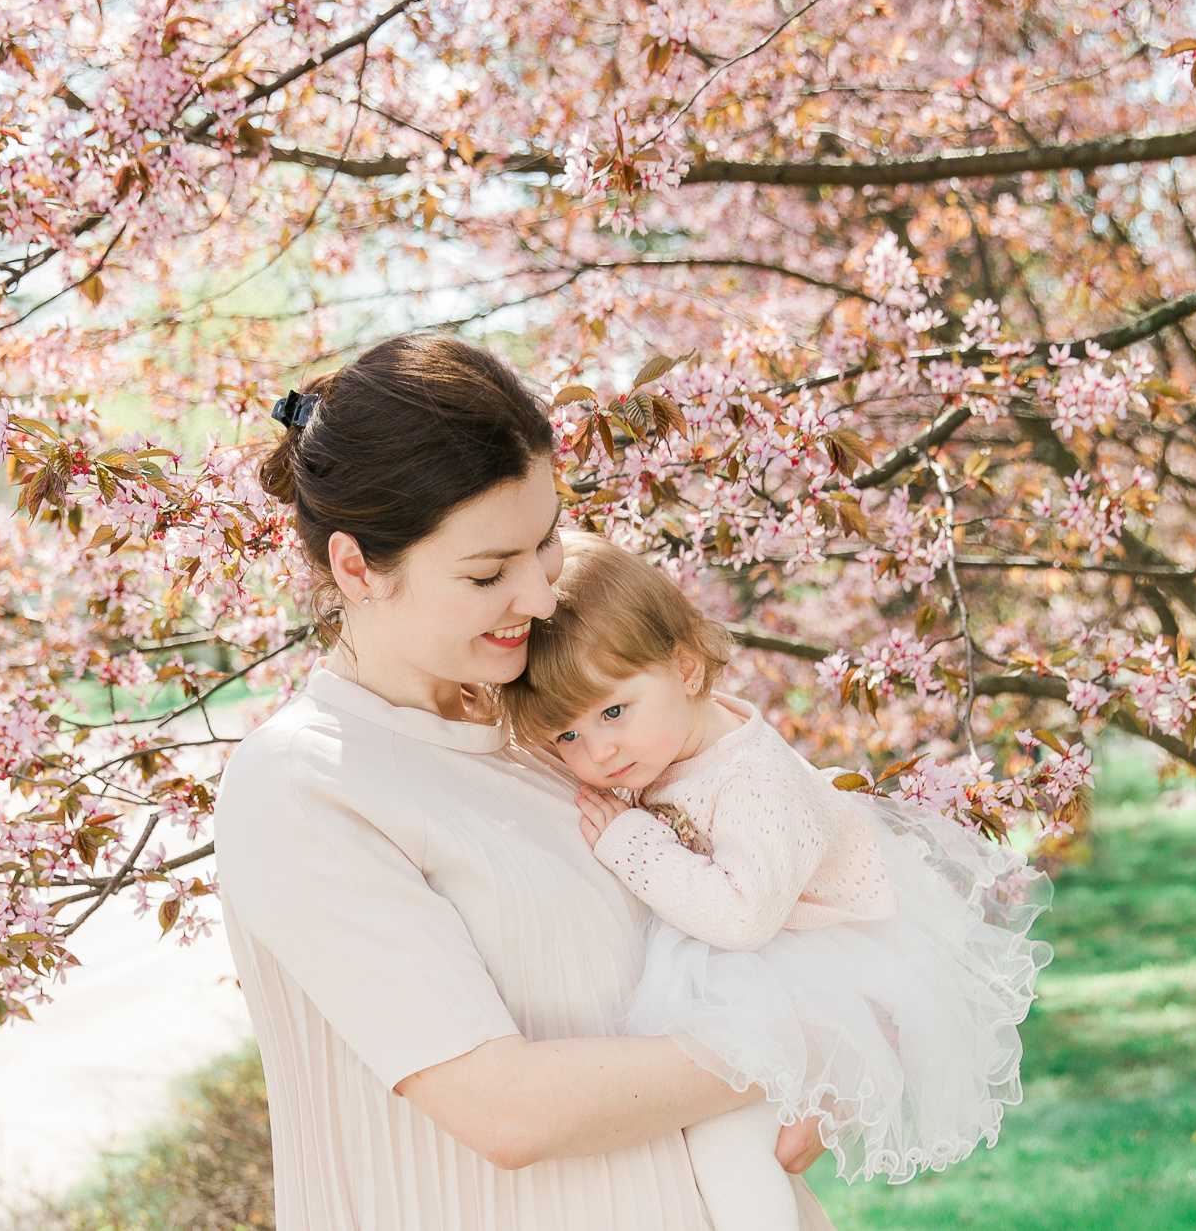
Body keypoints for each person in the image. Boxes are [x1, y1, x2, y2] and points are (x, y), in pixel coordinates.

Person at [213, 333, 834, 1230]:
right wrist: (796, 1045)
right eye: (486, 571)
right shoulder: (306, 785)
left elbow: (762, 877)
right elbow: (506, 1110)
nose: (542, 598)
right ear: (355, 567)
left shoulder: (557, 726)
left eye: (543, 543)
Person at [504, 534, 1052, 1229]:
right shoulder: (661, 743)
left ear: (687, 667)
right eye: (567, 737)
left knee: (727, 1143)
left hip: (796, 972)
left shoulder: (755, 782)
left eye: (613, 712)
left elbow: (742, 917)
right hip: (746, 971)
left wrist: (632, 842)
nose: (598, 750)